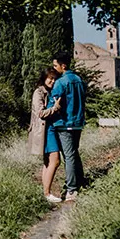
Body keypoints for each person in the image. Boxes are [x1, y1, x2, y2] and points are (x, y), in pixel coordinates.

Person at [48, 51, 86, 201]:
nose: (54, 68)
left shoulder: (60, 82)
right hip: (78, 122)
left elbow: (53, 103)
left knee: (68, 156)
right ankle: (80, 181)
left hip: (64, 123)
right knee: (74, 153)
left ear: (63, 66)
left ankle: (71, 189)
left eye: (55, 65)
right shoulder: (79, 80)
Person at [27, 67, 63, 202]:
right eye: (50, 78)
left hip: (49, 129)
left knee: (48, 162)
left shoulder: (48, 91)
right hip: (45, 131)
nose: (53, 81)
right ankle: (47, 194)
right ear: (44, 78)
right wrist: (55, 108)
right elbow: (41, 113)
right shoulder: (39, 92)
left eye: (55, 79)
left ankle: (46, 193)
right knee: (55, 160)